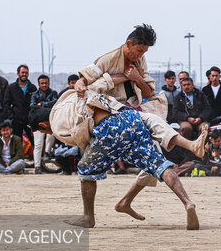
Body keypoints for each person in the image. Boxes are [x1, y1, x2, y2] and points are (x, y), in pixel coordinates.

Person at [36, 90, 200, 230]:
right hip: (130, 117)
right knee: (161, 165)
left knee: (85, 169)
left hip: (110, 128)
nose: (49, 134)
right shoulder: (73, 98)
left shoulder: (59, 122)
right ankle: (187, 203)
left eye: (45, 131)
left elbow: (82, 137)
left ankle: (88, 217)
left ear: (43, 125)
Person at [31, 75, 59, 174]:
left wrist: (42, 104)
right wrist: (47, 105)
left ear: (49, 83)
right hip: (38, 122)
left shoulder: (53, 93)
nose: (44, 85)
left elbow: (55, 102)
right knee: (38, 144)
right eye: (42, 83)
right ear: (38, 84)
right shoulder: (34, 94)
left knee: (51, 136)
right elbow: (32, 106)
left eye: (46, 83)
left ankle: (47, 152)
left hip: (51, 121)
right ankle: (37, 166)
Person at [3, 64, 37, 145]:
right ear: (18, 74)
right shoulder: (11, 87)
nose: (24, 74)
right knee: (16, 141)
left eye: (26, 73)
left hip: (29, 119)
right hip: (16, 119)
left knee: (34, 141)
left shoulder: (32, 88)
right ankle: (17, 157)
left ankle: (35, 157)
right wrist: (11, 117)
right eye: (22, 72)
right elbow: (6, 103)